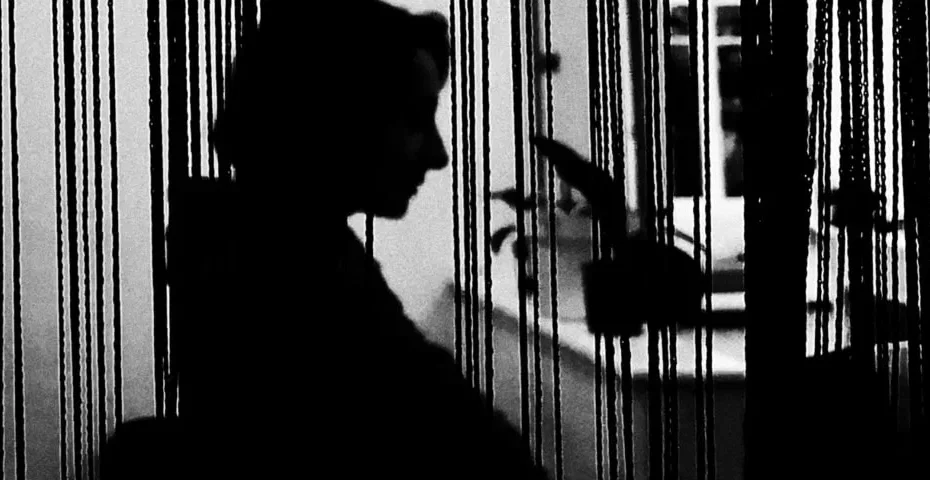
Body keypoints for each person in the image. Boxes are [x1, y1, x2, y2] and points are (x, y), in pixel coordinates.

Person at [104, 2, 548, 479]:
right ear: (332, 120)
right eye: (415, 120)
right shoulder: (290, 280)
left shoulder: (262, 246)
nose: (439, 155)